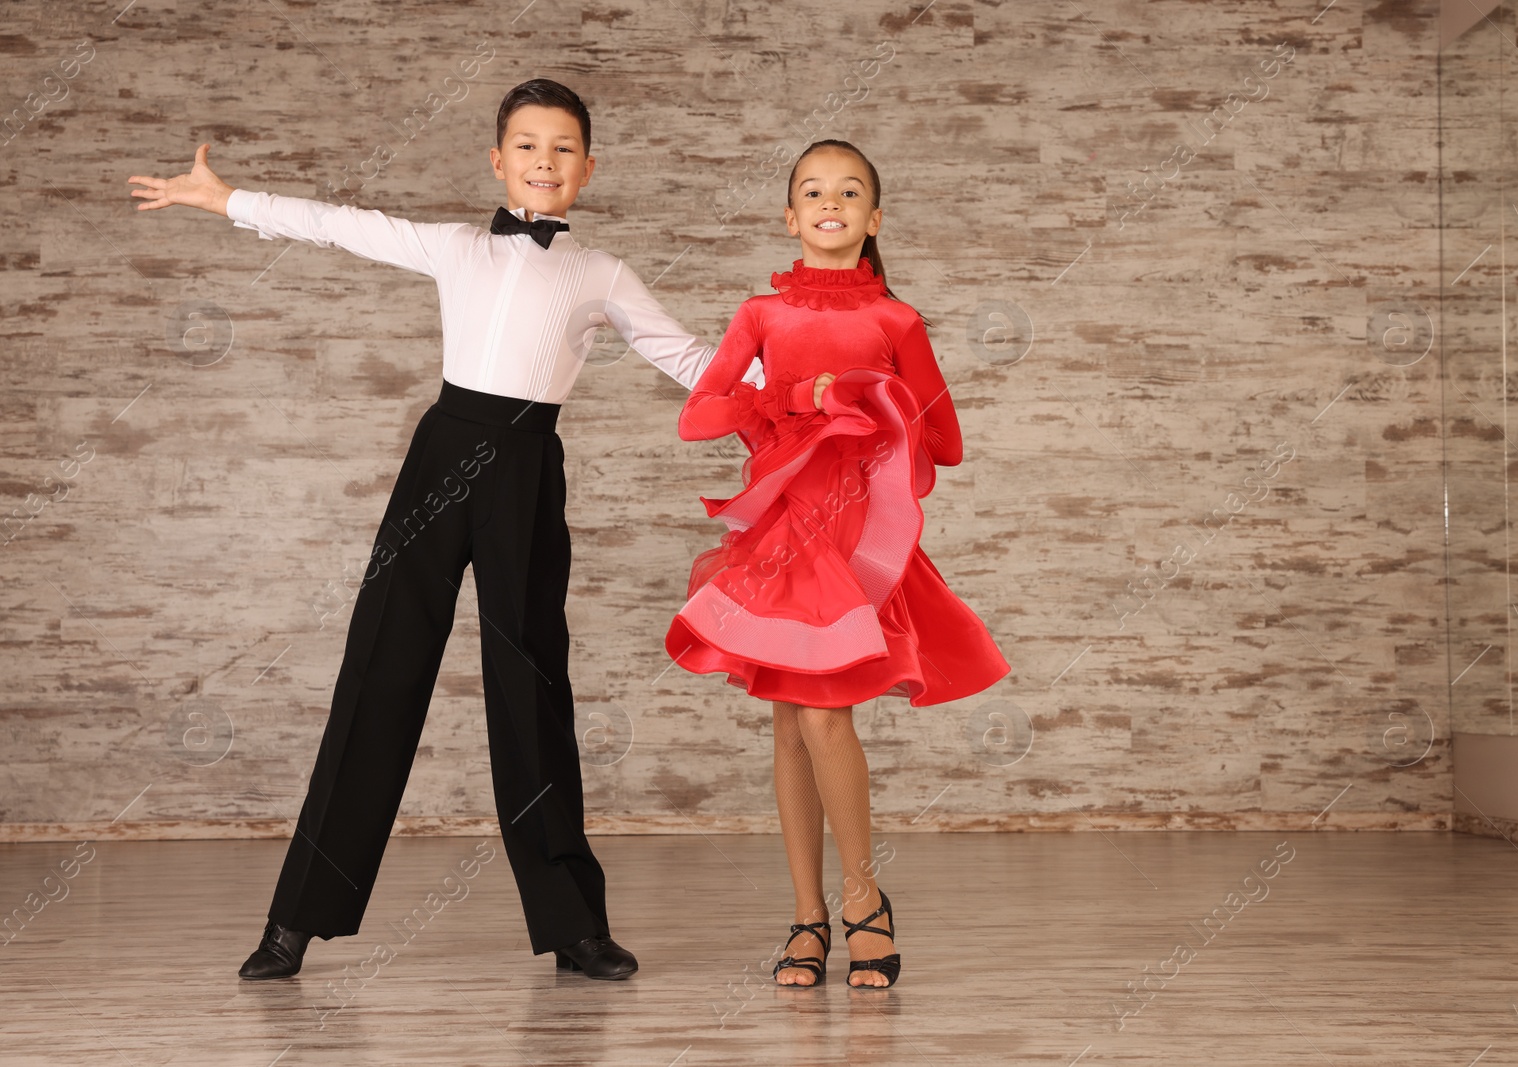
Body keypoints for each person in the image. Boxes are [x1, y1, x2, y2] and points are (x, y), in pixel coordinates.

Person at [129, 78, 756, 982]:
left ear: (589, 168)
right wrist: (227, 198)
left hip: (529, 468)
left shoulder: (602, 272)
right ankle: (293, 922)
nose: (546, 160)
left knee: (532, 680)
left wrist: (788, 393)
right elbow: (341, 223)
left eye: (564, 148)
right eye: (528, 145)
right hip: (442, 454)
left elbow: (692, 359)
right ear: (498, 160)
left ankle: (574, 924)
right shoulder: (456, 245)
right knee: (381, 665)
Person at [665, 139, 1010, 988]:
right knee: (789, 720)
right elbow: (699, 415)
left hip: (851, 539)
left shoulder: (897, 320)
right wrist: (794, 400)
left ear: (873, 218)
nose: (831, 201)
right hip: (780, 535)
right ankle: (807, 917)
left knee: (822, 717)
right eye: (813, 191)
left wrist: (876, 403)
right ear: (791, 217)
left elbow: (948, 443)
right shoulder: (761, 314)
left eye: (850, 191)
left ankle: (864, 898)